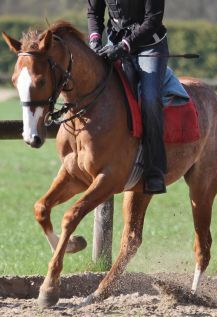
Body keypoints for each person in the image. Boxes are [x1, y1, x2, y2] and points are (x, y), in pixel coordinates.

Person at [87, 0, 168, 194]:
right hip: (114, 42)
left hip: (150, 46)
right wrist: (95, 41)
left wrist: (126, 45)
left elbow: (153, 20)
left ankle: (155, 170)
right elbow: (94, 14)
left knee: (149, 99)